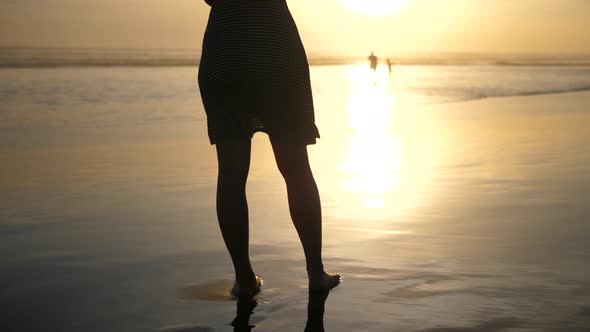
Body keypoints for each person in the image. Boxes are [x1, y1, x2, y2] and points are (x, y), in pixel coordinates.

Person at [198, 0, 341, 298]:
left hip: (224, 47)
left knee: (231, 174)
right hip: (273, 46)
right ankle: (315, 273)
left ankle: (244, 279)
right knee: (296, 168)